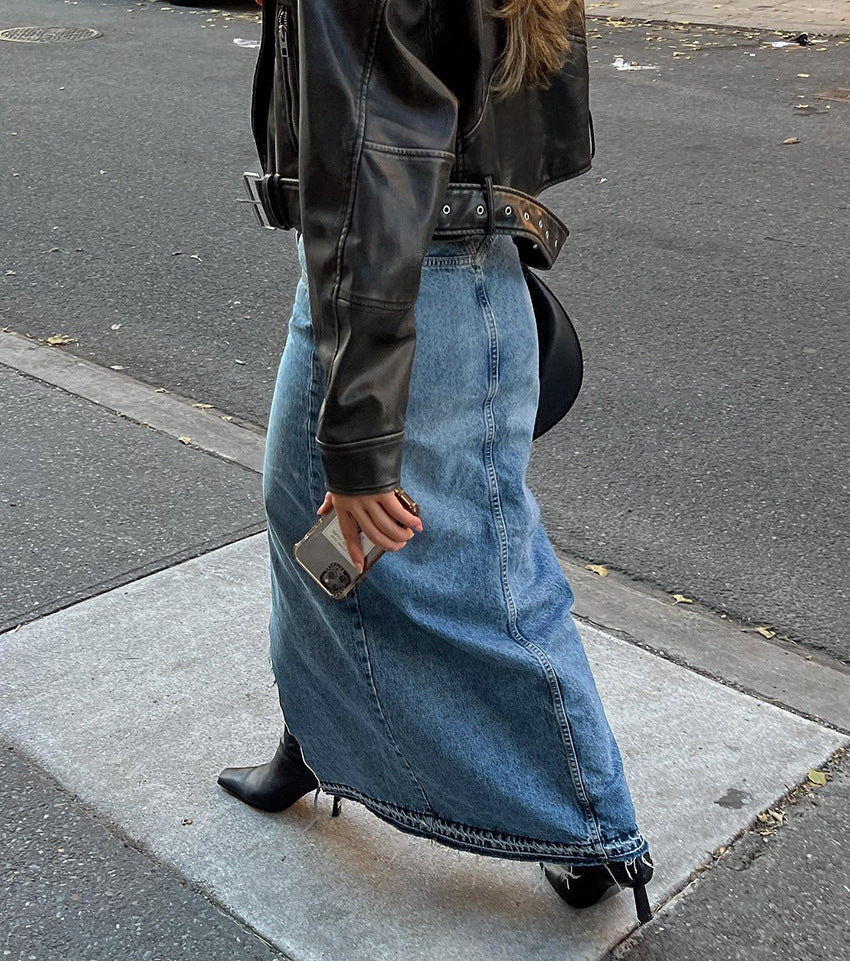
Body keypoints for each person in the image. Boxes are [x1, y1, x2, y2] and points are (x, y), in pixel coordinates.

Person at [218, 0, 654, 924]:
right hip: (445, 264)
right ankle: (319, 736)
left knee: (467, 568)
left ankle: (582, 823)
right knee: (310, 516)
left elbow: (375, 157)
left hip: (406, 277)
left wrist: (361, 435)